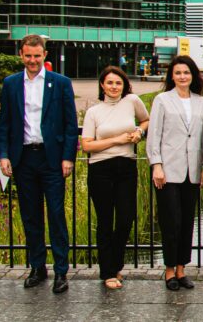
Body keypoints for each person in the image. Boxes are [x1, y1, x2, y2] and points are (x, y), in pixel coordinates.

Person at [0, 34, 78, 294]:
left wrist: (68, 157)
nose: (32, 60)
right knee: (30, 215)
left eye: (37, 55)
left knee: (56, 215)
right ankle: (37, 267)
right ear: (21, 55)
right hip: (23, 158)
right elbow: (5, 123)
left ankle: (61, 271)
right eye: (28, 55)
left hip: (51, 158)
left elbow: (70, 123)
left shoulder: (60, 83)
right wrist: (4, 155)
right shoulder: (10, 84)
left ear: (44, 55)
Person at [80, 66, 149, 290]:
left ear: (124, 85)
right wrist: (117, 140)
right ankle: (108, 271)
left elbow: (146, 120)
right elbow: (86, 145)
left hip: (126, 167)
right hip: (100, 168)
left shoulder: (132, 101)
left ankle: (116, 264)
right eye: (109, 82)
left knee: (125, 218)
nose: (113, 87)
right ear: (102, 85)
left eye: (118, 83)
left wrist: (139, 132)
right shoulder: (94, 112)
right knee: (105, 221)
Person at [146, 55, 203, 291]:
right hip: (168, 169)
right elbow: (154, 134)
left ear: (193, 75)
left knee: (186, 222)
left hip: (192, 170)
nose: (182, 76)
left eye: (186, 72)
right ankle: (170, 269)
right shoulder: (162, 100)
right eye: (178, 73)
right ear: (171, 76)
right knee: (170, 220)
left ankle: (182, 268)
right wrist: (156, 164)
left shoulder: (202, 103)